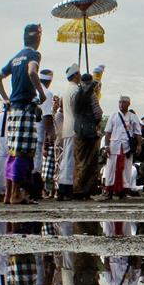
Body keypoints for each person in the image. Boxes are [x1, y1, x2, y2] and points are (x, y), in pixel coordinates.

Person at [0, 23, 48, 205]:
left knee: (13, 151)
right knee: (24, 152)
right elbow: (32, 71)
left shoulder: (16, 57)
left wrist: (6, 98)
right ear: (38, 38)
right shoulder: (33, 55)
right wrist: (40, 92)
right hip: (26, 107)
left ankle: (9, 194)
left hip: (13, 108)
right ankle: (17, 193)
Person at [103, 95, 142, 199]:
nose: (121, 104)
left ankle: (123, 191)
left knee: (127, 168)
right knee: (111, 168)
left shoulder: (133, 117)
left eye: (124, 102)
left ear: (128, 104)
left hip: (127, 147)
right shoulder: (113, 115)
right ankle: (109, 191)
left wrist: (139, 145)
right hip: (114, 145)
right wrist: (106, 145)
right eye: (120, 102)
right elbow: (107, 132)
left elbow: (138, 133)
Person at [73, 74, 103, 199]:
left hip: (78, 131)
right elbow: (98, 113)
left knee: (79, 162)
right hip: (90, 132)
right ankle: (85, 190)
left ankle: (76, 188)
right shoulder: (92, 95)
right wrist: (94, 125)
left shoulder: (77, 95)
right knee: (89, 162)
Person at [57, 64, 81, 200]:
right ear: (76, 75)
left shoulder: (66, 90)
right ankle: (66, 189)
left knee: (66, 159)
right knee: (70, 160)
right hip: (74, 127)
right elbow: (79, 110)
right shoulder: (76, 91)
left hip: (67, 127)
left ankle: (62, 188)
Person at [34, 70, 55, 199]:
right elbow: (47, 117)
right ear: (50, 81)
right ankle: (35, 192)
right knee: (36, 164)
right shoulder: (46, 93)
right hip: (38, 133)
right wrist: (52, 134)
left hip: (28, 132)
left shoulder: (31, 91)